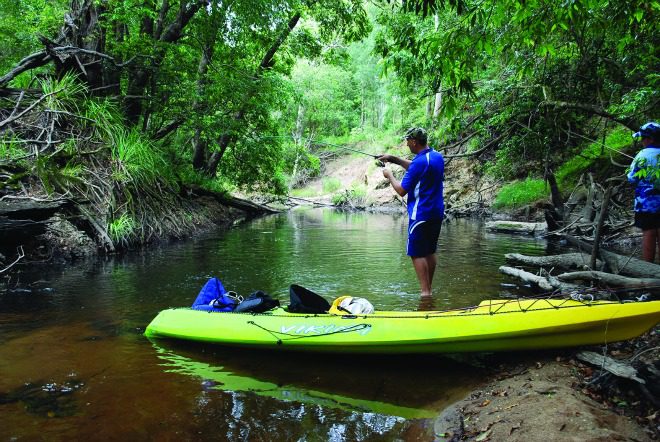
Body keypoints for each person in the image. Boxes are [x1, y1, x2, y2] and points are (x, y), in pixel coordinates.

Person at [378, 127, 445, 297]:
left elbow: (401, 190)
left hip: (420, 214)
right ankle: (429, 289)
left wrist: (389, 175)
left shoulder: (419, 163)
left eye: (408, 141)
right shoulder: (436, 157)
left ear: (414, 142)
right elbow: (417, 167)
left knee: (416, 253)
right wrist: (394, 159)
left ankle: (425, 293)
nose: (407, 144)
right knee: (429, 251)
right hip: (436, 213)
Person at [627, 121, 660, 263]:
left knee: (649, 233)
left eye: (642, 138)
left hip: (646, 204)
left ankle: (648, 268)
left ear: (650, 139)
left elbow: (631, 178)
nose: (641, 141)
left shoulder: (642, 155)